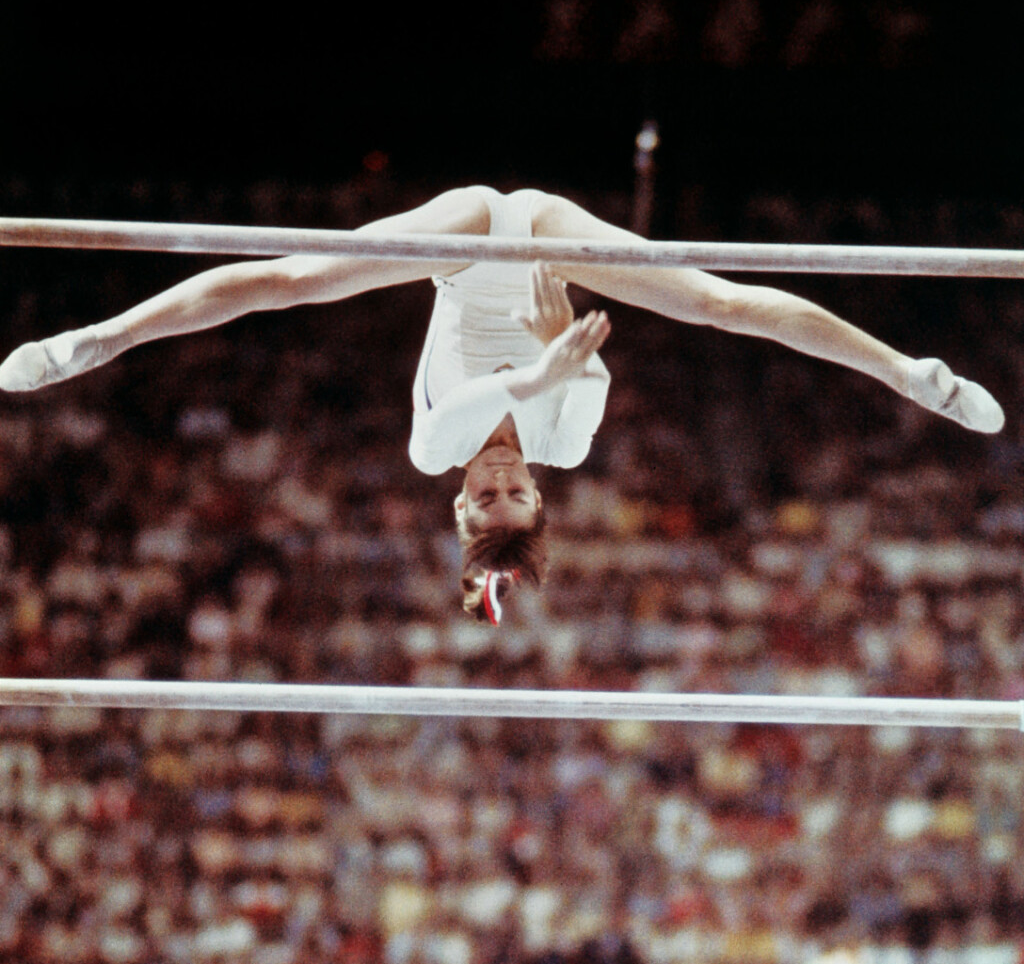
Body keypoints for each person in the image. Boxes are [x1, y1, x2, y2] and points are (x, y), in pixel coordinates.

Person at [0, 184, 1005, 620]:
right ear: (537, 500)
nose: (496, 483)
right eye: (513, 500)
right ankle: (911, 373)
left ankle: (98, 342)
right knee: (715, 302)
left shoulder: (432, 451)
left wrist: (539, 365)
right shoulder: (562, 446)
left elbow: (505, 388)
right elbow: (577, 374)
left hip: (470, 236)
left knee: (295, 281)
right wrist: (552, 355)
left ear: (457, 505)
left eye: (482, 504)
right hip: (546, 244)